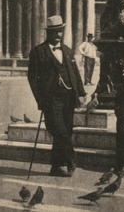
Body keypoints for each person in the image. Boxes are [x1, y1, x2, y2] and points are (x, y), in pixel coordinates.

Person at [28, 15, 87, 177]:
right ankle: (71, 157)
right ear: (48, 33)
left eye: (60, 31)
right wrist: (41, 99)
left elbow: (75, 73)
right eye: (55, 32)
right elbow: (32, 78)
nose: (59, 35)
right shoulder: (38, 52)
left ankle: (56, 166)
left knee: (66, 130)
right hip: (51, 99)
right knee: (59, 130)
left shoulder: (67, 50)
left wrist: (81, 93)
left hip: (68, 98)